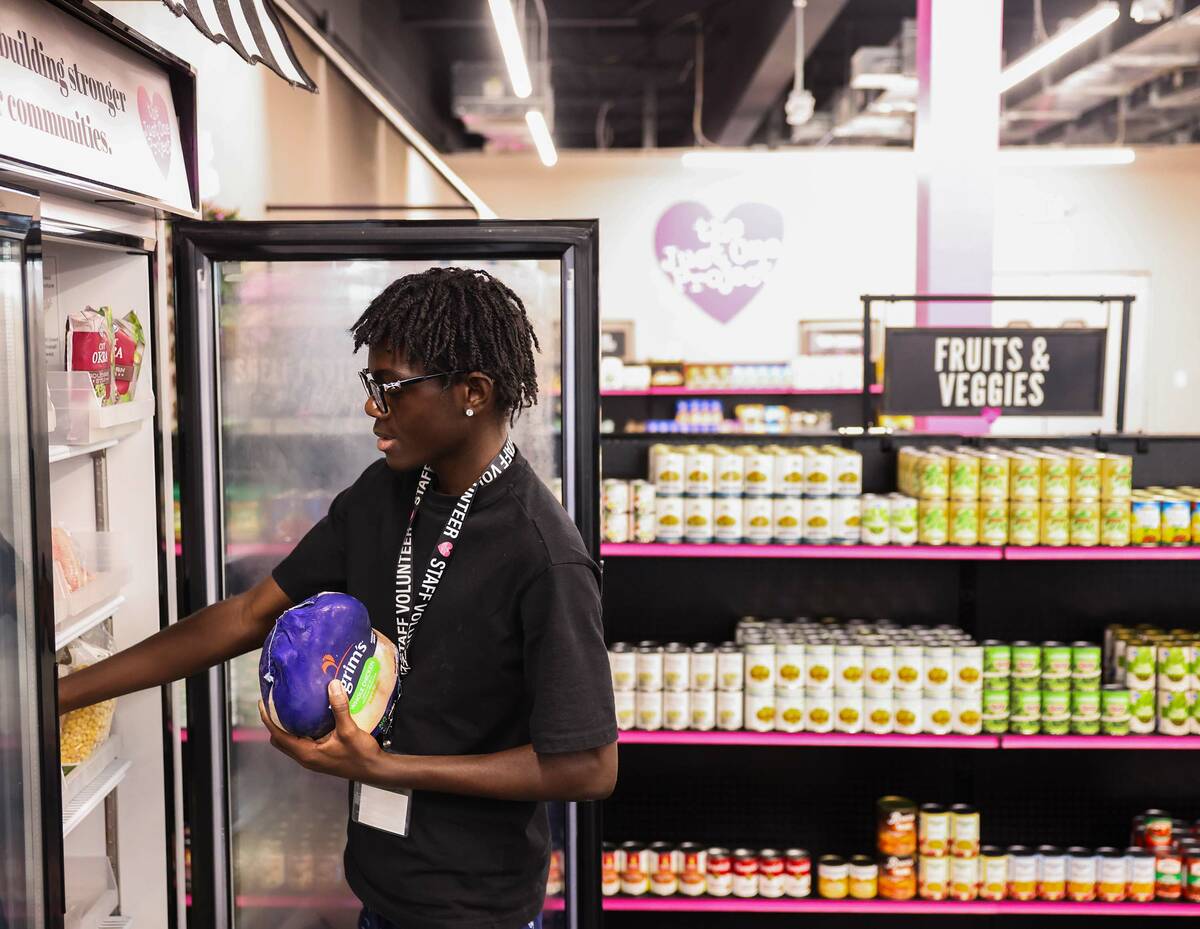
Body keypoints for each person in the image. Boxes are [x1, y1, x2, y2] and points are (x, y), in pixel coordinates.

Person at [60, 267, 619, 929]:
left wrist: (384, 764)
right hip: (379, 894)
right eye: (370, 383)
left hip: (477, 912)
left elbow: (587, 765)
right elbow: (245, 615)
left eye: (391, 386)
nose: (372, 405)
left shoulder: (542, 551)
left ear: (473, 392)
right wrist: (63, 694)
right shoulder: (385, 494)